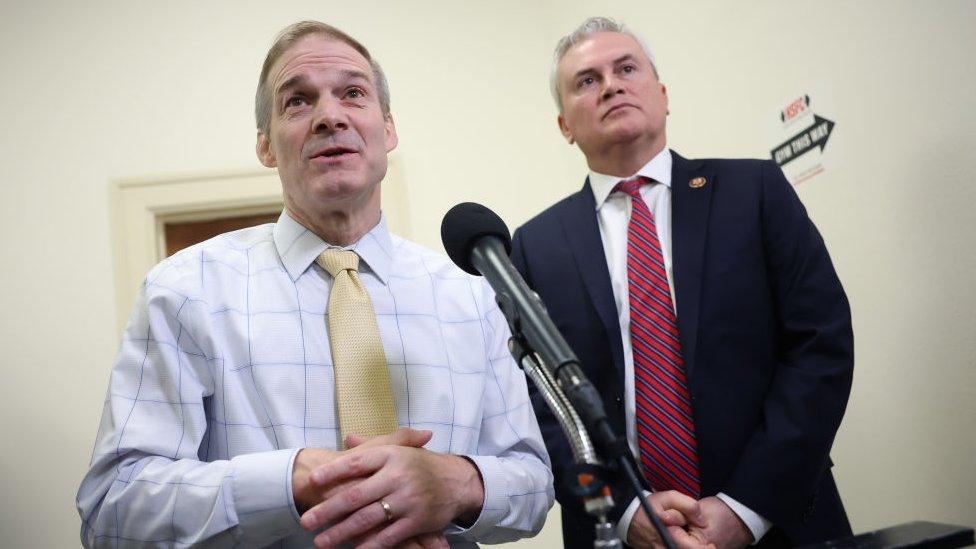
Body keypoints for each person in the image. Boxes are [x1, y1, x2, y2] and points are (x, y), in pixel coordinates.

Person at [76, 21, 555, 548]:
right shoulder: (185, 290)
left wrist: (458, 484)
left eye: (353, 93)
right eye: (298, 102)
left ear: (388, 129)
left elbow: (533, 484)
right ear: (265, 144)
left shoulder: (472, 294)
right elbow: (113, 507)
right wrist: (294, 481)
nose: (330, 116)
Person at [510, 17, 854, 549]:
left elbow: (820, 345)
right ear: (564, 125)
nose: (611, 85)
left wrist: (745, 509)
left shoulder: (754, 191)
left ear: (663, 95)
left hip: (780, 521)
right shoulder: (533, 245)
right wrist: (629, 514)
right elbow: (540, 405)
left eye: (626, 68)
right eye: (586, 80)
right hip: (619, 534)